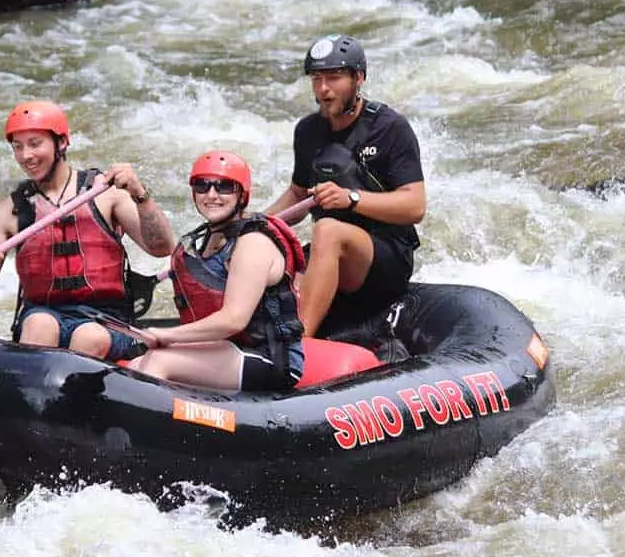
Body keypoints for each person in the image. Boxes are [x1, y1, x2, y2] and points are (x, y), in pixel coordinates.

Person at [0, 100, 176, 360]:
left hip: (106, 320)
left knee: (89, 337)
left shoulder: (106, 193)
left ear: (62, 142)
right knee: (38, 326)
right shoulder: (9, 210)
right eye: (17, 147)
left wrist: (140, 194)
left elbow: (162, 247)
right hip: (41, 314)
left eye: (34, 143)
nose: (25, 156)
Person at [264, 34, 426, 337]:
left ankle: (301, 346)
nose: (323, 89)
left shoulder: (390, 128)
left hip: (385, 255)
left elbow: (415, 206)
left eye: (334, 78)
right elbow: (298, 194)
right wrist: (255, 226)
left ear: (359, 78)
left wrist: (350, 198)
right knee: (265, 252)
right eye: (317, 79)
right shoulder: (308, 131)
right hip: (331, 251)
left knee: (327, 230)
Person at [129, 151, 306, 391]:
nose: (211, 195)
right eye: (202, 186)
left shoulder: (253, 242)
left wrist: (168, 335)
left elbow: (234, 319)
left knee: (158, 362)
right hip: (227, 349)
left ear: (242, 194)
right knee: (136, 364)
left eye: (224, 187)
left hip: (270, 358)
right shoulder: (207, 240)